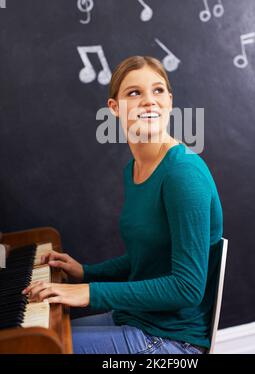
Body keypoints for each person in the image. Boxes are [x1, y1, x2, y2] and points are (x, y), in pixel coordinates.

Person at [23, 56, 223, 354]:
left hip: (172, 342)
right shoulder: (134, 169)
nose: (149, 102)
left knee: (36, 349)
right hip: (135, 317)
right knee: (32, 336)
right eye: (134, 93)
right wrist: (86, 272)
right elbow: (149, 255)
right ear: (114, 108)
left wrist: (88, 292)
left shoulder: (183, 174)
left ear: (169, 100)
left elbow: (187, 288)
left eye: (158, 91)